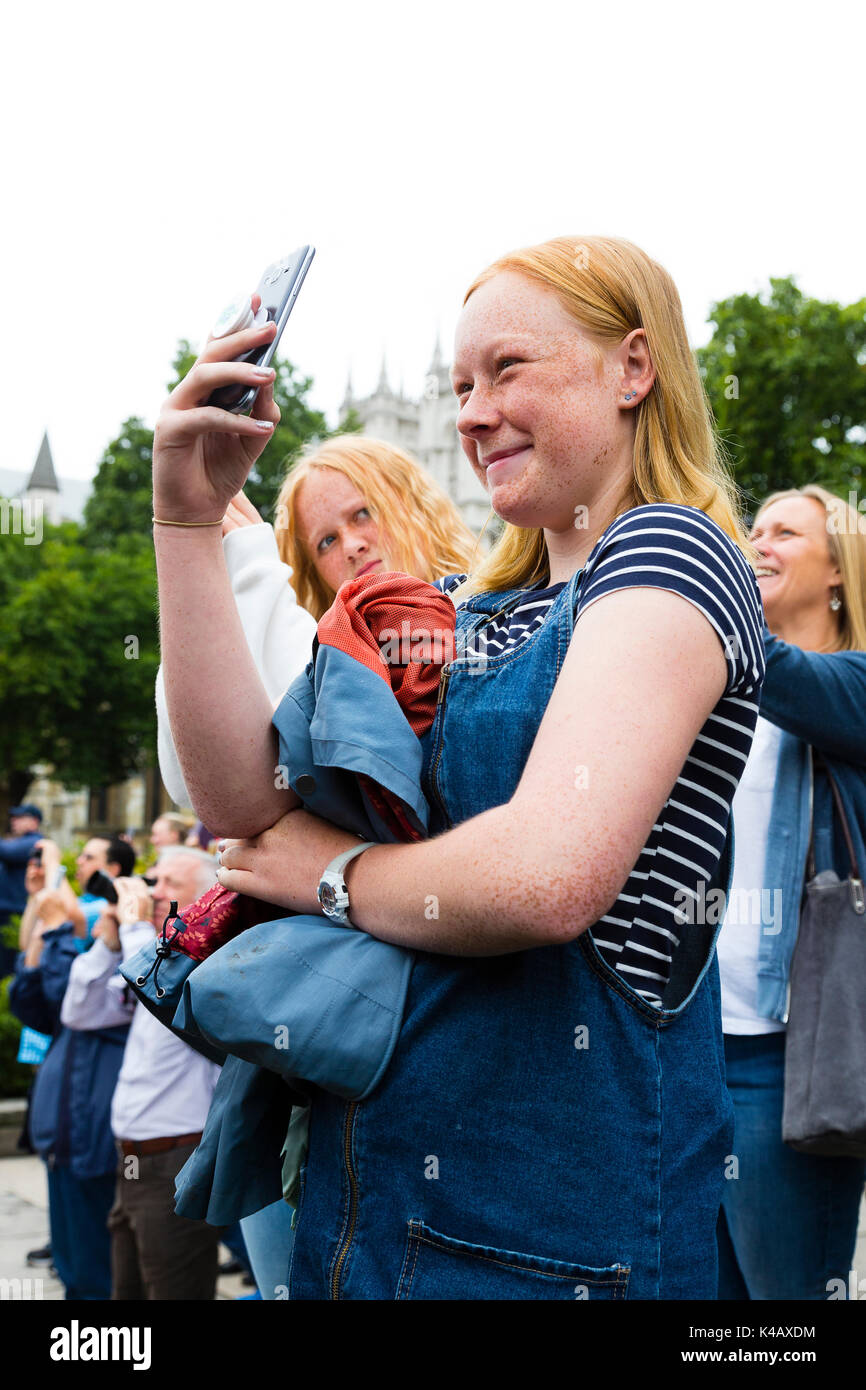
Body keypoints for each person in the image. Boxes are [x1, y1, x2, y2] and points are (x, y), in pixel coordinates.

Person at [151, 235, 766, 1299]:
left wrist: (329, 874)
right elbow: (240, 802)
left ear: (632, 368)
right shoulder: (459, 608)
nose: (470, 413)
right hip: (377, 1224)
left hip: (558, 1242)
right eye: (459, 385)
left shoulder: (670, 552)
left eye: (507, 371)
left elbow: (544, 875)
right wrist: (188, 522)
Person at [716, 484, 866, 1300]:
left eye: (784, 533)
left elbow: (783, 675)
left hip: (791, 1061)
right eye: (752, 529)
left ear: (840, 571)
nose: (756, 542)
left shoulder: (855, 685)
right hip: (698, 1047)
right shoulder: (723, 694)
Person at [156, 435, 476, 809]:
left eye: (363, 514)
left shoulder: (500, 611)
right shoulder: (328, 648)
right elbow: (195, 778)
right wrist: (216, 563)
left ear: (416, 507)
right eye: (326, 542)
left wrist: (254, 567)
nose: (352, 545)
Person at [98, 849, 222, 1300]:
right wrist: (107, 942)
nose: (154, 892)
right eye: (155, 880)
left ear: (205, 899)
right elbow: (80, 1011)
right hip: (130, 1157)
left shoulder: (202, 960)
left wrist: (132, 928)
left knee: (175, 1289)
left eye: (171, 883)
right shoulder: (149, 954)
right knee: (127, 1291)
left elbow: (157, 992)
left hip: (175, 1159)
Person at [8, 869, 134, 1299]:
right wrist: (43, 921)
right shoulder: (77, 951)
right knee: (72, 1267)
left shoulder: (118, 961)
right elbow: (30, 1002)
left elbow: (67, 1000)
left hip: (92, 1139)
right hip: (62, 1135)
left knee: (94, 1271)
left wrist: (60, 928)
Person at [0, 804, 44, 928]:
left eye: (20, 817)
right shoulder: (22, 841)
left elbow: (6, 852)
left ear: (35, 821)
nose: (14, 820)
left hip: (13, 911)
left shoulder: (35, 842)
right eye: (13, 817)